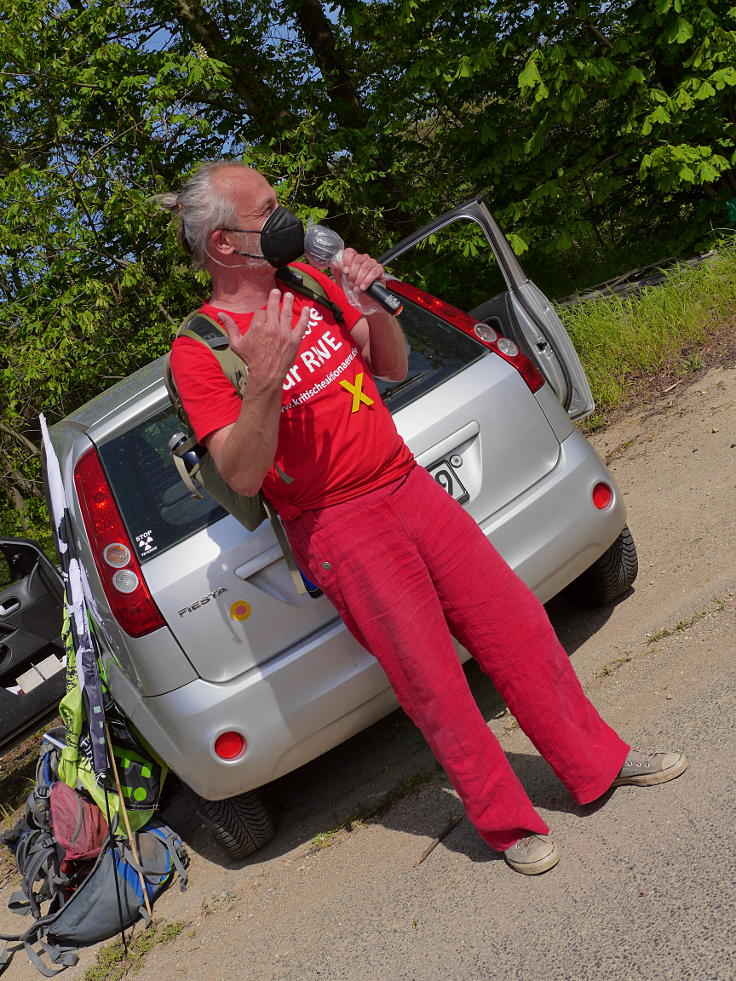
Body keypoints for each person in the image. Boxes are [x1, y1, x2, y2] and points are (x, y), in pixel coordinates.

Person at [163, 161, 688, 875]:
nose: (287, 219)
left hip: (407, 484)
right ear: (225, 245)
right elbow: (242, 472)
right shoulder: (201, 349)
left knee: (518, 627)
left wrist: (369, 303)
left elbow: (394, 367)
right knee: (431, 680)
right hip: (339, 528)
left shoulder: (310, 285)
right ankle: (507, 825)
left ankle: (599, 763)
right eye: (269, 210)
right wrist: (263, 382)